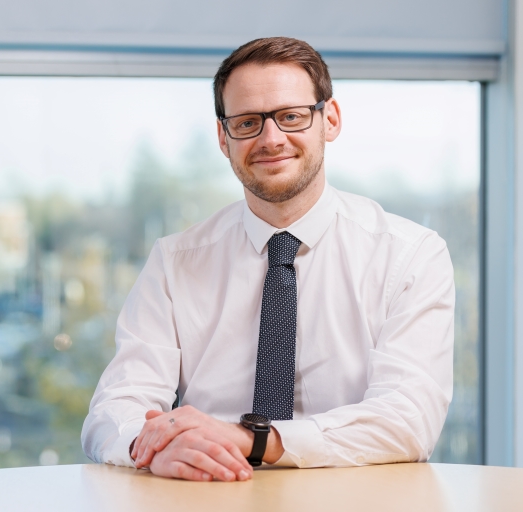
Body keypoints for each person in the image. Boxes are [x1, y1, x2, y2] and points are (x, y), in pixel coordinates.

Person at [81, 37, 454, 482]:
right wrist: (151, 448)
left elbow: (408, 418)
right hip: (208, 495)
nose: (271, 139)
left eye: (291, 116)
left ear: (329, 119)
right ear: (224, 137)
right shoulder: (174, 262)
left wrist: (253, 439)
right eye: (247, 122)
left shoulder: (409, 255)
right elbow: (115, 408)